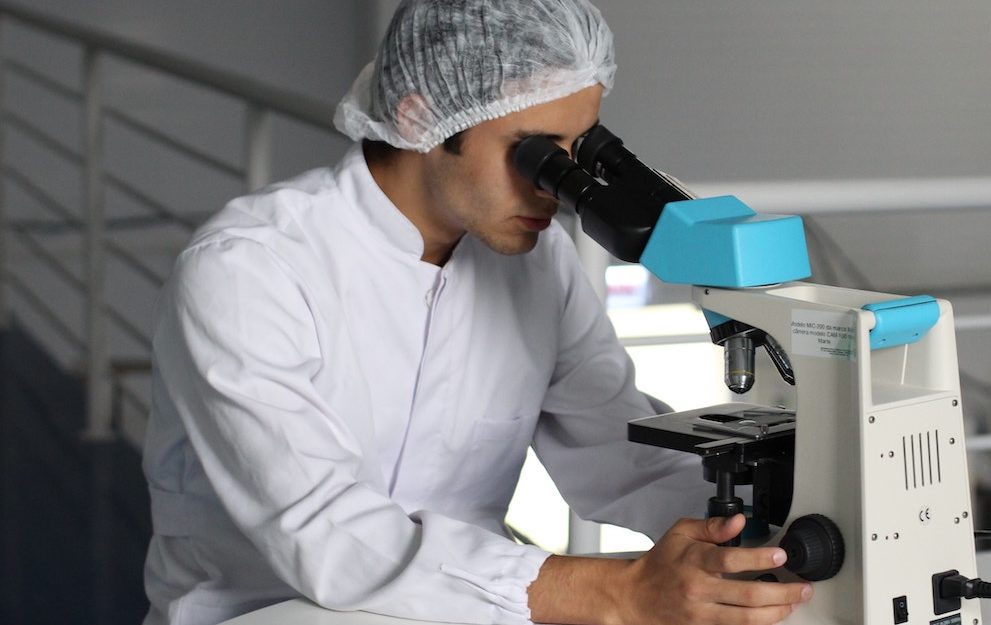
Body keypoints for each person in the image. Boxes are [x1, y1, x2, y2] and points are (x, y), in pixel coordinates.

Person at [141, 2, 813, 625]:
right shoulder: (250, 268)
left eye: (577, 154)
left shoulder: (534, 264)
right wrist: (623, 592)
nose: (556, 190)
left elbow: (621, 452)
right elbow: (322, 533)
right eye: (536, 153)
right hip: (270, 611)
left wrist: (760, 535)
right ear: (418, 119)